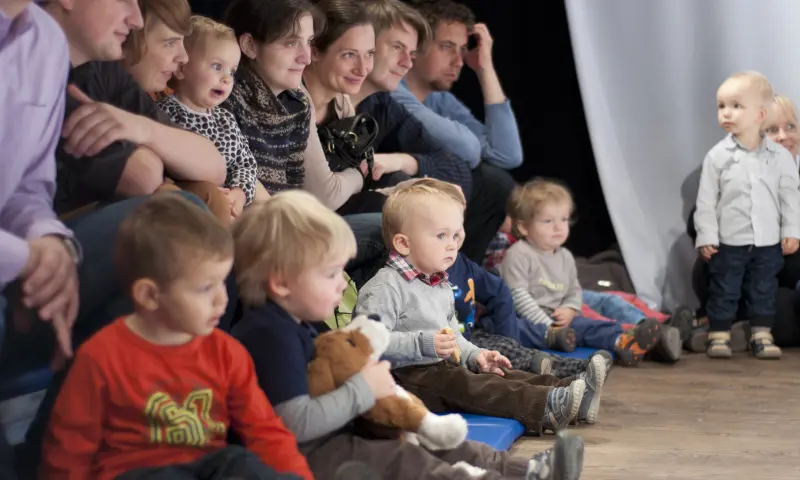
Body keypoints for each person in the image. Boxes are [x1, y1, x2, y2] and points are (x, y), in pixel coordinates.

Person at [230, 190, 585, 480]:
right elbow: (296, 424)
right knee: (405, 456)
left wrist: (472, 354)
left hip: (339, 430)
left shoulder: (298, 323)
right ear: (280, 282)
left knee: (436, 439)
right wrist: (363, 390)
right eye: (330, 274)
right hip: (304, 453)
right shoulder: (268, 334)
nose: (343, 282)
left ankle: (525, 472)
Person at [40, 194, 313, 480]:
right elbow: (68, 451)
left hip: (205, 467)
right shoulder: (100, 357)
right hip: (137, 473)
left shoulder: (227, 352)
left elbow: (264, 431)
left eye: (223, 281)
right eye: (206, 288)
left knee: (238, 460)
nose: (222, 299)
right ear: (149, 295)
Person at [355, 179, 604, 435]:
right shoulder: (385, 287)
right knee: (468, 384)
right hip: (404, 377)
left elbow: (454, 338)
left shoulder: (439, 284)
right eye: (441, 236)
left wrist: (475, 355)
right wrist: (422, 343)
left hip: (439, 368)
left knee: (499, 375)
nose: (452, 244)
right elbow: (365, 344)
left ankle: (568, 390)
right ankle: (547, 406)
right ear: (403, 244)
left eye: (455, 235)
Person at [222, 0, 387, 289]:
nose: (305, 57)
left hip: (290, 227)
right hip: (254, 233)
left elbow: (296, 192)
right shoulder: (228, 97)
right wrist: (358, 177)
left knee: (399, 215)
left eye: (308, 42)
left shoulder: (296, 103)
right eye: (290, 43)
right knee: (389, 228)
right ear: (249, 46)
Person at [352, 0, 512, 263]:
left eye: (410, 53)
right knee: (401, 200)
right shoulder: (389, 93)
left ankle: (454, 285)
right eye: (447, 47)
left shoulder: (390, 102)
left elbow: (502, 155)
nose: (460, 62)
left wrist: (408, 161)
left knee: (491, 182)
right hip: (318, 224)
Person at [42, 0, 228, 220]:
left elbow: (216, 167)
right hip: (36, 234)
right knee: (184, 208)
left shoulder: (103, 72)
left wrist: (142, 129)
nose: (135, 19)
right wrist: (151, 147)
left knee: (202, 196)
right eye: (169, 43)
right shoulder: (41, 69)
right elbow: (142, 177)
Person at [499, 179, 682, 366]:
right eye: (548, 221)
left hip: (560, 318)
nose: (559, 227)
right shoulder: (518, 255)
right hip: (533, 321)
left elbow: (574, 290)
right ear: (523, 227)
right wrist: (547, 327)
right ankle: (558, 339)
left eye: (564, 219)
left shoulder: (565, 256)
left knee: (593, 326)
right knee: (526, 328)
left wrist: (570, 308)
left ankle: (625, 343)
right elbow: (518, 297)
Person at [694, 71, 800, 359]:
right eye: (721, 106)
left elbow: (791, 197)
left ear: (759, 114)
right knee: (724, 286)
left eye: (736, 106)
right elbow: (705, 200)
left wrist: (792, 231)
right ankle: (718, 334)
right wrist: (707, 235)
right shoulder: (718, 156)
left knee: (763, 288)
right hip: (730, 241)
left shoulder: (778, 159)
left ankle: (761, 335)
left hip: (767, 242)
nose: (726, 113)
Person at [394, 0, 522, 172]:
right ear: (414, 46)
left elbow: (507, 155)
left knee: (495, 179)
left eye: (462, 49)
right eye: (447, 47)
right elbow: (467, 147)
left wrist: (485, 69)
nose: (459, 62)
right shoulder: (389, 88)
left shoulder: (441, 100)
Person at [157, 15, 258, 222]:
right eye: (216, 66)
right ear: (182, 68)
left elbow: (245, 162)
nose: (227, 78)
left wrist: (239, 192)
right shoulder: (165, 113)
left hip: (230, 207)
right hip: (191, 209)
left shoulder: (225, 119)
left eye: (232, 71)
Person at [301, 0, 389, 215]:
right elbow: (325, 196)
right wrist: (358, 175)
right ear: (314, 52)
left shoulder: (340, 101)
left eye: (369, 53)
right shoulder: (296, 102)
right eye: (349, 54)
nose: (363, 69)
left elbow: (363, 173)